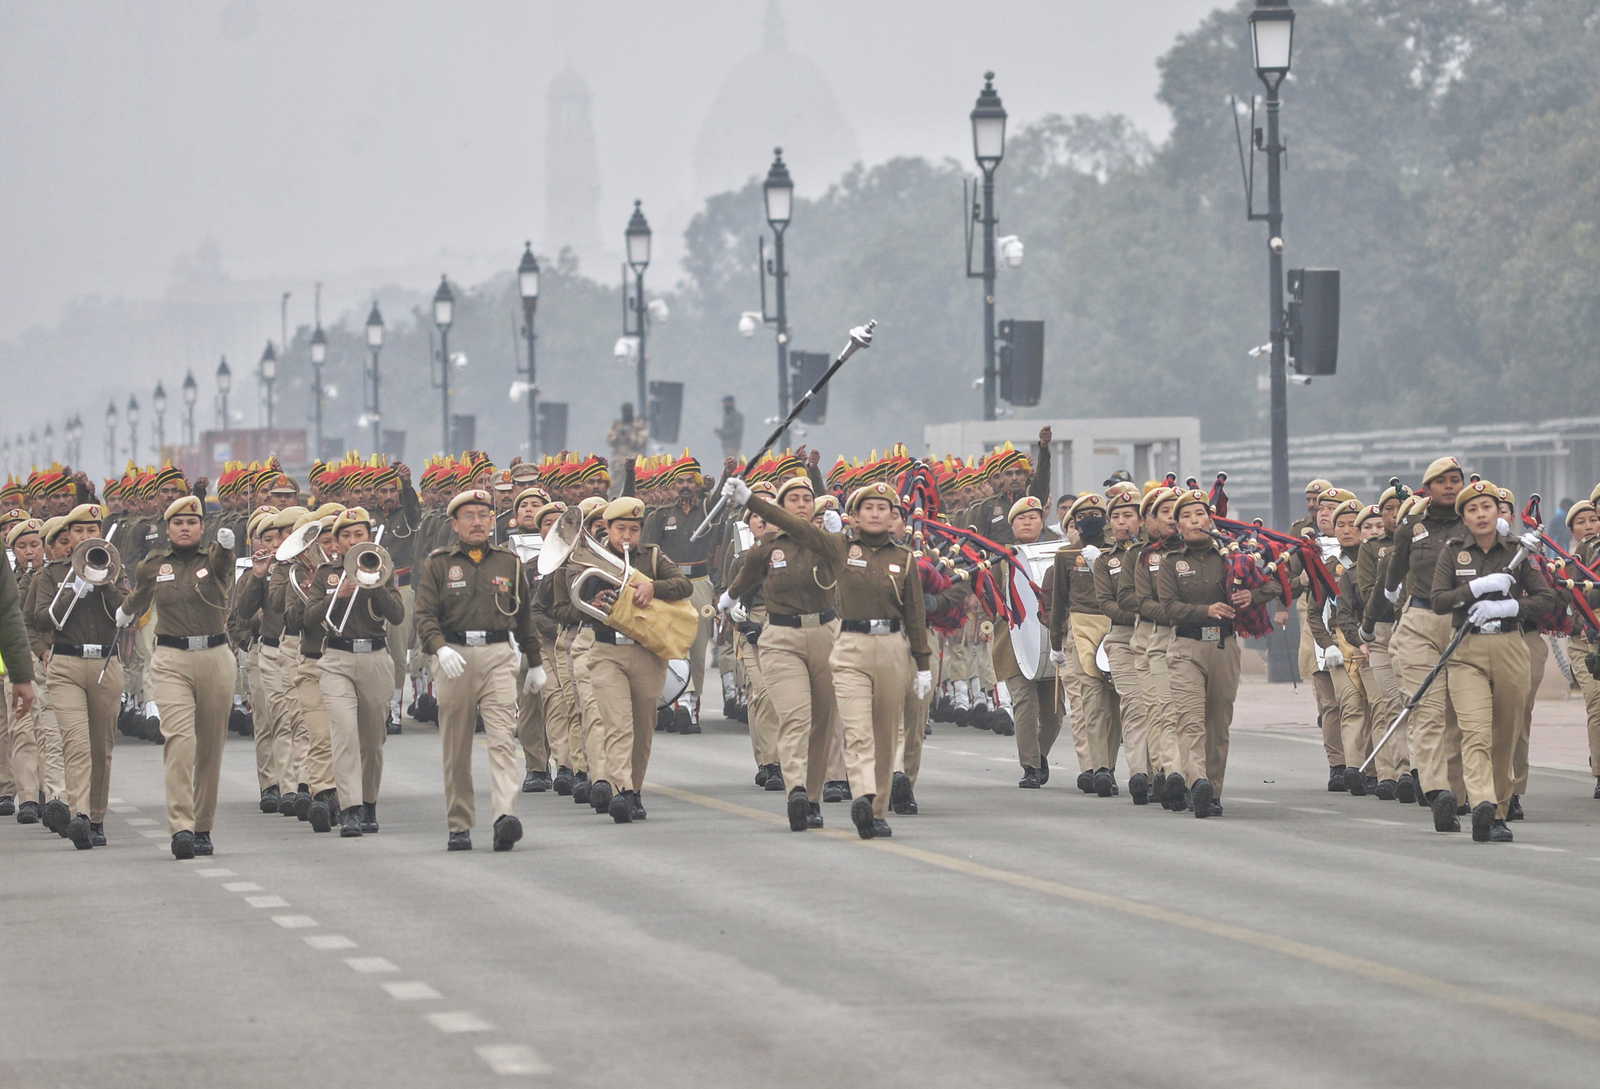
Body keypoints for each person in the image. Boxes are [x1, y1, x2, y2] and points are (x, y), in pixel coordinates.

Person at [414, 488, 543, 851]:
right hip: (455, 656)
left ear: (492, 521)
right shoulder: (439, 564)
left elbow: (523, 616)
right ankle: (459, 823)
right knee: (456, 746)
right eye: (469, 516)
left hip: (499, 654)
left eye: (484, 515)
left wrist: (534, 662)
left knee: (503, 738)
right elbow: (424, 615)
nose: (477, 522)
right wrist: (439, 649)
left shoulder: (508, 563)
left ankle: (505, 815)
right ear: (454, 524)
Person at [1430, 479, 1556, 843]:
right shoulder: (1453, 552)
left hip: (1509, 645)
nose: (1481, 514)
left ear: (1497, 512)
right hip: (1467, 650)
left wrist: (1509, 605)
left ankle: (1499, 811)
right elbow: (1438, 600)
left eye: (1487, 507)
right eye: (1472, 509)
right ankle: (1483, 801)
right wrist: (1474, 590)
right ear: (1464, 518)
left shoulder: (1516, 551)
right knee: (1475, 731)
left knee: (1506, 734)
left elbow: (1546, 599)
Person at [119, 495, 237, 860]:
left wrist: (229, 546)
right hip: (171, 657)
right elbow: (141, 596)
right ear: (167, 529)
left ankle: (203, 826)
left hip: (215, 655)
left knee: (210, 748)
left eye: (192, 522)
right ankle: (182, 827)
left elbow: (224, 564)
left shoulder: (213, 559)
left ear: (203, 527)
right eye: (178, 522)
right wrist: (123, 613)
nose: (185, 527)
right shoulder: (154, 565)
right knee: (179, 742)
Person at [725, 475, 841, 831]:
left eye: (808, 498)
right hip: (781, 637)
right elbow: (744, 579)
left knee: (823, 722)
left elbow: (804, 531)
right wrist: (728, 599)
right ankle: (797, 790)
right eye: (794, 499)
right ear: (783, 506)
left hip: (825, 634)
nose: (803, 505)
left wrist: (753, 502)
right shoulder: (766, 547)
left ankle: (815, 795)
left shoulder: (826, 542)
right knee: (795, 717)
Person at [1158, 489, 1277, 818]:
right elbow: (1168, 608)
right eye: (1186, 516)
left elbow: (1275, 584)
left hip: (1224, 646)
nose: (1195, 520)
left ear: (1211, 519)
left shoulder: (1233, 556)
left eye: (1200, 514)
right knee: (1190, 720)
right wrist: (1205, 609)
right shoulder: (1171, 563)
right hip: (1186, 648)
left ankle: (1213, 789)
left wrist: (1251, 597)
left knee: (1218, 723)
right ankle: (1197, 782)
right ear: (1178, 526)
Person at [1373, 457, 1469, 831]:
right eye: (1441, 481)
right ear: (1427, 489)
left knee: (1460, 713)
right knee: (1426, 710)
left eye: (1455, 479)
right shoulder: (1410, 527)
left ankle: (1461, 793)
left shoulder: (1476, 524)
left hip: (1464, 623)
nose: (1449, 486)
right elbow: (1393, 577)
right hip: (1420, 621)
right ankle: (1437, 789)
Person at [303, 506, 405, 837]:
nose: (351, 540)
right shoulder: (325, 574)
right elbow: (307, 619)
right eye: (345, 536)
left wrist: (372, 583)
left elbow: (397, 615)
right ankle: (350, 808)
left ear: (367, 536)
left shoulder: (383, 567)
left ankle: (370, 802)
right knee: (344, 733)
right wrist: (339, 593)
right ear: (335, 542)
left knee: (373, 740)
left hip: (374, 657)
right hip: (336, 658)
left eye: (358, 534)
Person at [26, 503, 123, 849]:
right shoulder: (51, 575)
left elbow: (126, 613)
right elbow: (39, 619)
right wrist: (73, 588)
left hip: (105, 664)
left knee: (102, 747)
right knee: (76, 743)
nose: (85, 537)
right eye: (78, 532)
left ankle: (96, 816)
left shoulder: (113, 566)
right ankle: (78, 814)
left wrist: (104, 583)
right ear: (69, 536)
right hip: (66, 665)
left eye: (91, 531)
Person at [1049, 492, 1122, 797]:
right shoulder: (1066, 556)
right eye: (1083, 517)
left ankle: (1111, 765)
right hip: (1080, 630)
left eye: (1096, 515)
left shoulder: (1119, 553)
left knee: (1115, 705)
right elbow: (1059, 602)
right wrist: (1055, 643)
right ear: (1074, 524)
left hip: (1115, 627)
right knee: (1090, 703)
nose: (1090, 521)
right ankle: (1097, 768)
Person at [715, 395, 744, 460]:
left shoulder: (736, 415)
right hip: (727, 445)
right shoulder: (727, 415)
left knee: (731, 464)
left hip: (733, 445)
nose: (724, 405)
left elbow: (736, 430)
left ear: (731, 403)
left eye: (726, 402)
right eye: (724, 403)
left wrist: (722, 433)